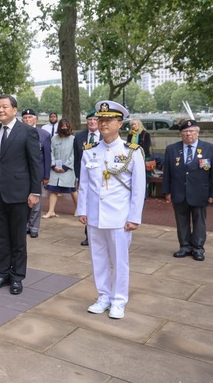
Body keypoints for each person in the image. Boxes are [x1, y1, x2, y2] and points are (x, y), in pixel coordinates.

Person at [77, 100, 145, 319]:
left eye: (108, 120)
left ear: (120, 123)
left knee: (120, 261)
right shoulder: (90, 152)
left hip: (119, 217)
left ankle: (118, 300)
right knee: (98, 258)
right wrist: (82, 210)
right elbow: (85, 185)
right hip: (96, 216)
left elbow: (138, 189)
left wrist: (134, 217)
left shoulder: (131, 152)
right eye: (101, 119)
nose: (103, 123)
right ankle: (103, 296)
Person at [0, 95, 42, 295]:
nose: (0, 110)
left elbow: (35, 163)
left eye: (5, 107)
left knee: (18, 238)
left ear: (14, 110)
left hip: (20, 194)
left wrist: (35, 192)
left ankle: (17, 277)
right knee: (1, 237)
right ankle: (2, 273)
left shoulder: (27, 132)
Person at [162, 119, 213, 261]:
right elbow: (167, 172)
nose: (189, 134)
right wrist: (167, 191)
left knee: (200, 221)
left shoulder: (211, 149)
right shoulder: (172, 149)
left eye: (192, 131)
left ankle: (198, 248)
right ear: (181, 134)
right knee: (181, 221)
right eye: (185, 131)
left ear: (198, 133)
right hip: (179, 192)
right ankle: (185, 246)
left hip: (200, 192)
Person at [21, 109, 51, 238]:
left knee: (36, 202)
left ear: (36, 119)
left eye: (30, 117)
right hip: (21, 173)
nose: (27, 120)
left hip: (36, 173)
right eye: (25, 117)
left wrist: (46, 175)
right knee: (22, 201)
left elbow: (47, 156)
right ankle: (24, 225)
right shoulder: (18, 132)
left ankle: (34, 227)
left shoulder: (44, 134)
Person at [43, 118, 78, 219]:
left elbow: (74, 154)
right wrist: (54, 165)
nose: (64, 127)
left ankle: (78, 208)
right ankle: (51, 211)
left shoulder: (73, 139)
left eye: (66, 125)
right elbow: (50, 152)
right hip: (55, 169)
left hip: (68, 169)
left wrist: (65, 167)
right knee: (53, 189)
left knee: (72, 189)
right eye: (62, 125)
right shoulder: (54, 139)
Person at [74, 110, 100, 245]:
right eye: (90, 119)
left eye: (95, 119)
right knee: (86, 205)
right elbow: (77, 159)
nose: (92, 122)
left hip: (101, 178)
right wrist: (78, 177)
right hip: (85, 177)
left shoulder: (104, 136)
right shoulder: (79, 137)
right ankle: (88, 235)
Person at [127, 119, 154, 196]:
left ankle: (144, 194)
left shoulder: (145, 134)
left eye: (135, 124)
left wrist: (138, 153)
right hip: (132, 157)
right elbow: (128, 145)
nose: (133, 126)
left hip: (143, 157)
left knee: (144, 177)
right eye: (132, 125)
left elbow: (146, 146)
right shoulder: (130, 134)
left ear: (139, 125)